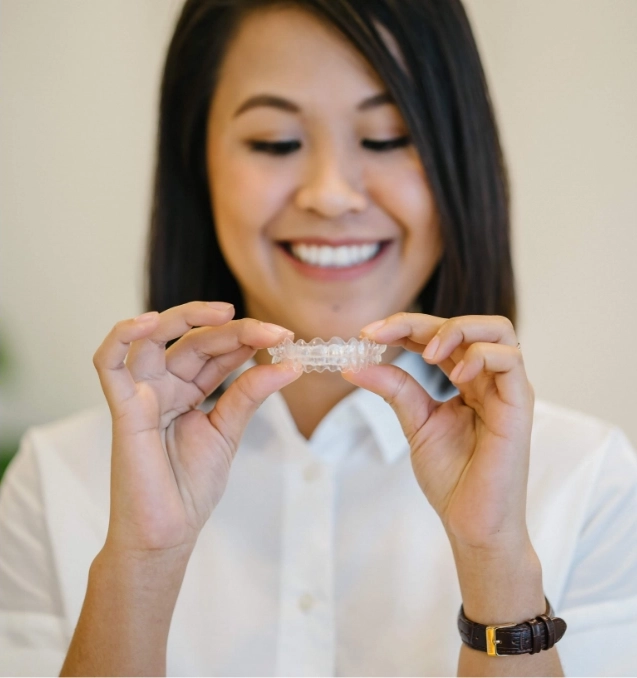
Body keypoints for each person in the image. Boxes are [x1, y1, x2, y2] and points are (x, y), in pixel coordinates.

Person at [1, 0, 636, 675]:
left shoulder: (585, 476)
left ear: (458, 161)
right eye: (275, 142)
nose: (330, 195)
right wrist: (142, 563)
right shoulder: (55, 479)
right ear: (198, 165)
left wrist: (494, 563)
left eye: (388, 137)